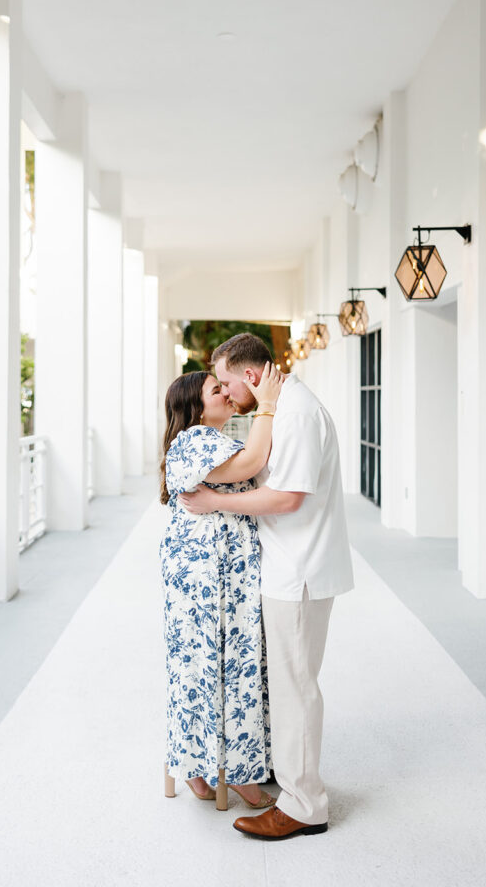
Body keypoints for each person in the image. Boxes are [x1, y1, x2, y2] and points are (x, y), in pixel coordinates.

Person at [181, 333, 354, 840]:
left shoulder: (296, 413)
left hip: (298, 570)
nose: (228, 394)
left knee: (295, 688)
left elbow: (285, 499)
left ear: (250, 375)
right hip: (290, 565)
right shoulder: (286, 406)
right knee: (289, 683)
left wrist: (215, 502)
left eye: (228, 382)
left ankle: (303, 806)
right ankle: (292, 777)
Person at [160, 363, 282, 810]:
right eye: (217, 390)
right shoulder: (193, 439)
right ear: (195, 405)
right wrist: (266, 404)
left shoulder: (209, 440)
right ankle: (231, 773)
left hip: (222, 569)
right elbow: (253, 462)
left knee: (216, 662)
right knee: (218, 662)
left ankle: (203, 765)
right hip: (205, 573)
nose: (227, 395)